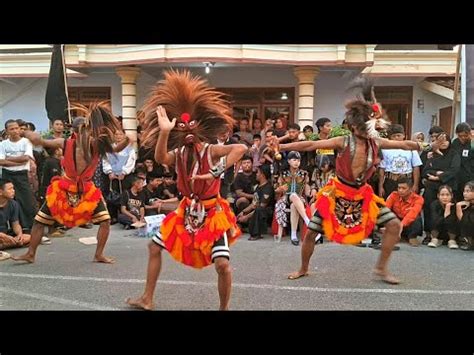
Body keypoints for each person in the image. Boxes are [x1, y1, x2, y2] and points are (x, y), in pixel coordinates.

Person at [270, 76, 443, 284]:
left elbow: (405, 145)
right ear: (353, 127)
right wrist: (283, 147)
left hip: (362, 194)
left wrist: (427, 147)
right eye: (361, 127)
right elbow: (309, 146)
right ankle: (303, 268)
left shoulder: (376, 142)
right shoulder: (343, 141)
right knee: (311, 232)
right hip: (338, 193)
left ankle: (381, 268)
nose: (365, 131)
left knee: (394, 225)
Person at [127, 70, 247, 310]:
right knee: (153, 247)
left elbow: (241, 148)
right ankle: (147, 299)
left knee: (222, 265)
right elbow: (161, 157)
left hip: (213, 212)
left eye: (191, 124)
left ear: (201, 125)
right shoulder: (179, 153)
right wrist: (163, 131)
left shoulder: (211, 150)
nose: (187, 129)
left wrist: (215, 171)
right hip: (186, 211)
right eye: (181, 126)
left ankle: (224, 308)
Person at [11, 102, 131, 264]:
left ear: (89, 129)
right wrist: (26, 133)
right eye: (81, 130)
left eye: (87, 129)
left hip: (86, 189)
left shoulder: (96, 145)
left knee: (105, 220)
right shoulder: (64, 143)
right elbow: (41, 142)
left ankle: (98, 254)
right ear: (74, 131)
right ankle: (31, 253)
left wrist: (127, 137)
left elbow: (116, 149)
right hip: (64, 188)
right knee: (39, 221)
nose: (85, 133)